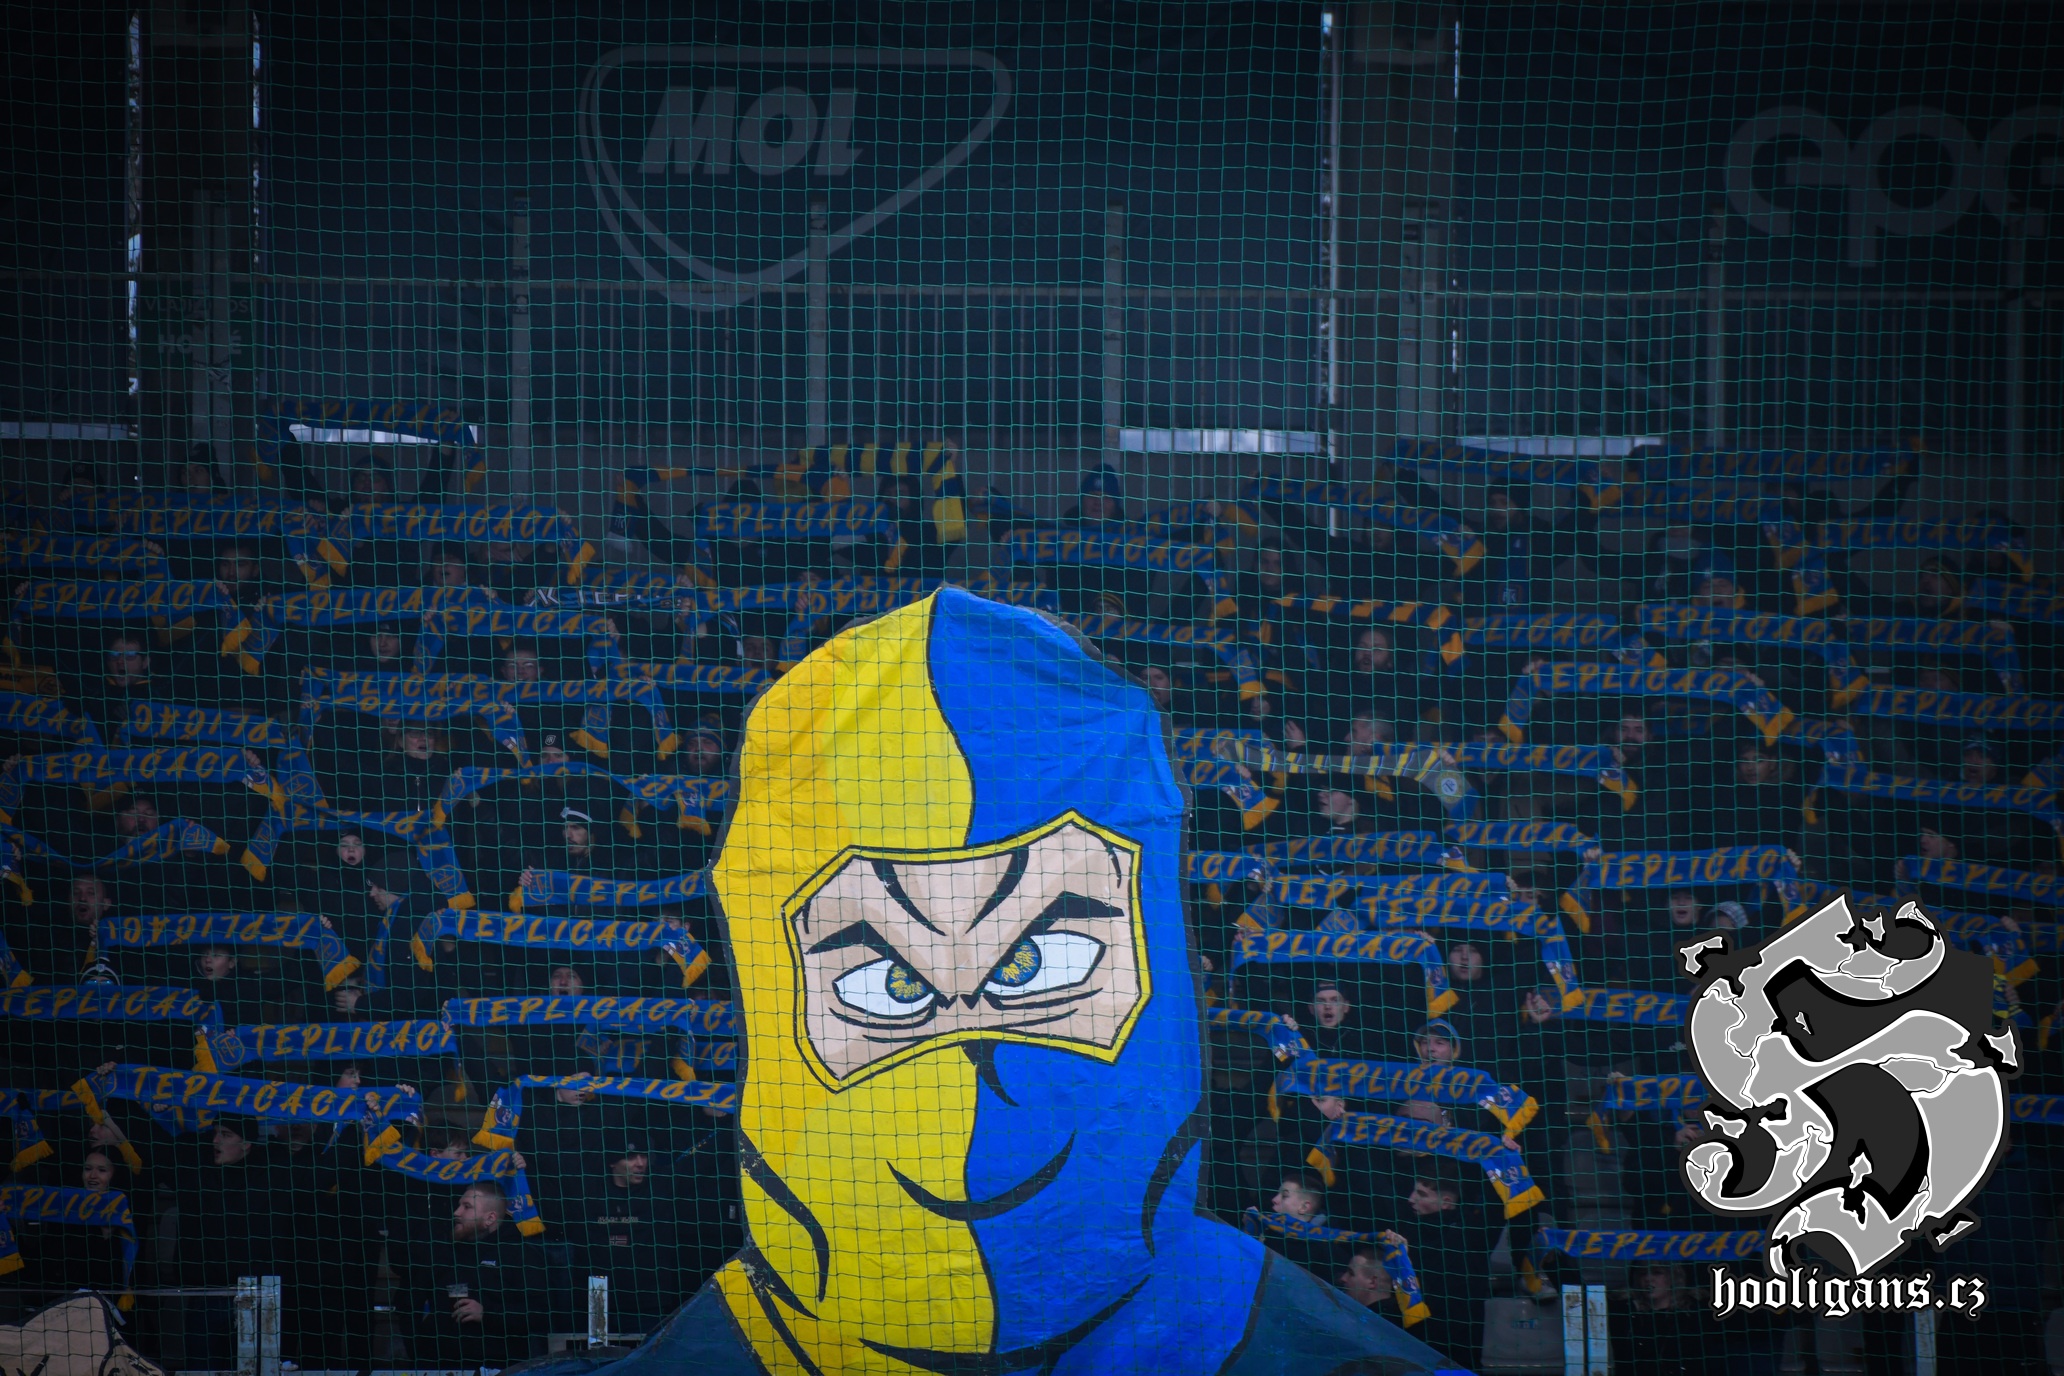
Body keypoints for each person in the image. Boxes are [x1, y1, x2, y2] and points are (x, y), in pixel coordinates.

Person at [402, 1181, 558, 1367]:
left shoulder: (520, 1255)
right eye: (459, 1205)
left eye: (467, 1207)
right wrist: (418, 1353)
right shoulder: (443, 1252)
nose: (456, 1212)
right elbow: (410, 1303)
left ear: (490, 1218)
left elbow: (540, 1314)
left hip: (498, 1366)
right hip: (437, 1365)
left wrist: (487, 1313)